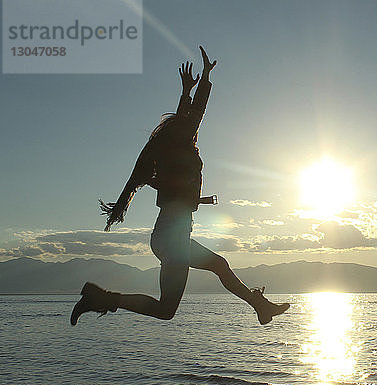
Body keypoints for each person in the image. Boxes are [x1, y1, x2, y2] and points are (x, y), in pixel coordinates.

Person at [71, 46, 289, 326]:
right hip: (171, 239)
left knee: (216, 268)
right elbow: (195, 114)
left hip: (171, 236)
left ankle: (260, 307)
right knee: (167, 309)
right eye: (188, 123)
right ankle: (99, 298)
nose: (194, 125)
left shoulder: (174, 150)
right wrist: (205, 81)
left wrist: (186, 92)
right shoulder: (178, 150)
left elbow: (188, 117)